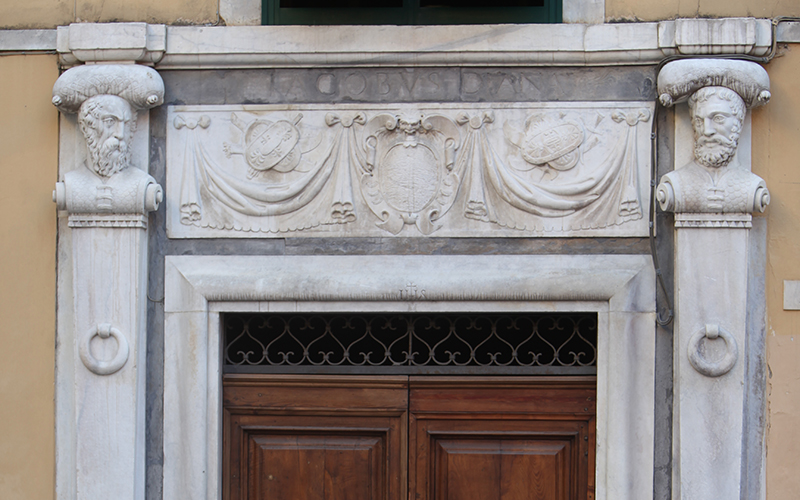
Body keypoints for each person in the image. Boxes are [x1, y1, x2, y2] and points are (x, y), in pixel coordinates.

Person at [657, 86, 768, 214]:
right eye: (699, 121)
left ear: (739, 123)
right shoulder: (676, 183)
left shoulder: (751, 185)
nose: (706, 130)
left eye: (718, 119)